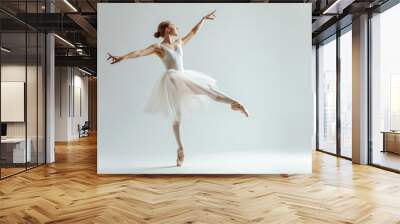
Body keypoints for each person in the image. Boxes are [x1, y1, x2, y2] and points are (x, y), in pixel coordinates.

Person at [107, 10, 249, 167]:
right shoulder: (158, 47)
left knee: (208, 89)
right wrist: (122, 57)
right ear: (168, 29)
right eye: (175, 27)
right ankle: (181, 149)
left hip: (184, 76)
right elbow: (140, 52)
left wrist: (203, 19)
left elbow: (193, 32)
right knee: (178, 117)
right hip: (173, 80)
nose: (178, 29)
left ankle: (236, 103)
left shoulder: (179, 42)